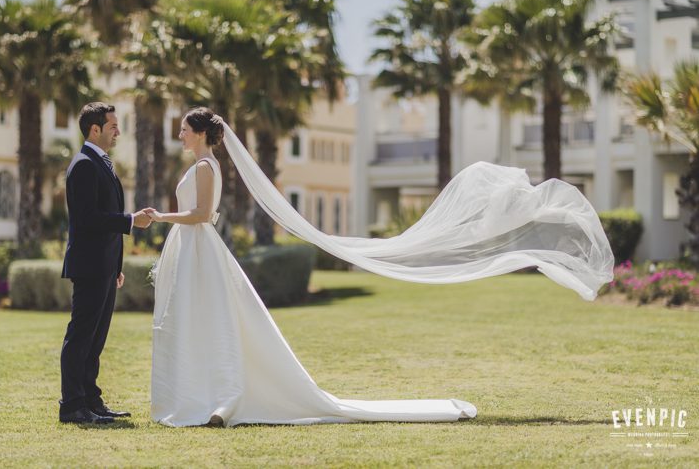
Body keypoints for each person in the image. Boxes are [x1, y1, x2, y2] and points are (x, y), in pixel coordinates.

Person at [146, 107, 477, 427]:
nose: (180, 135)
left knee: (204, 317)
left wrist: (161, 217)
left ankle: (214, 396)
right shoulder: (204, 164)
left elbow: (202, 214)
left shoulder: (205, 166)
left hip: (199, 246)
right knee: (196, 318)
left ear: (201, 133)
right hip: (194, 246)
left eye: (185, 130)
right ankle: (201, 393)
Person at [59, 102, 153, 424]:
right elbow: (87, 219)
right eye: (113, 125)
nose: (118, 131)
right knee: (81, 337)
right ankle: (72, 406)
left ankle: (91, 401)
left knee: (95, 340)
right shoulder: (84, 164)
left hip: (104, 266)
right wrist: (130, 221)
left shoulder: (102, 163)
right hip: (88, 266)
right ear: (94, 129)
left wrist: (116, 266)